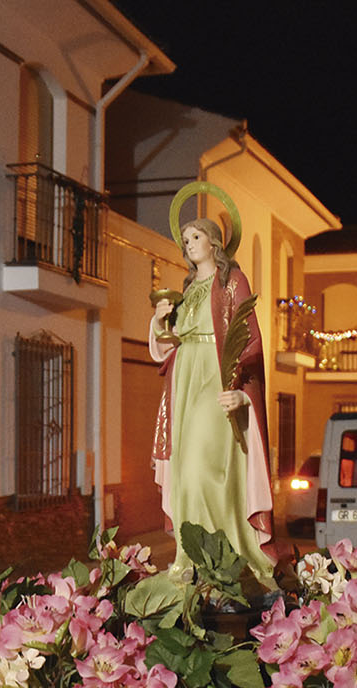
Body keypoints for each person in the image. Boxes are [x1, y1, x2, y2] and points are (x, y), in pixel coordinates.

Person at [149, 217, 276, 587]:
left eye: (196, 236)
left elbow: (249, 339)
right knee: (184, 471)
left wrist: (241, 391)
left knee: (204, 470)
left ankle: (224, 553)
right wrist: (159, 321)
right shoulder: (187, 289)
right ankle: (189, 556)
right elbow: (170, 344)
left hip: (215, 378)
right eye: (185, 238)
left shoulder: (232, 281)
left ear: (215, 243)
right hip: (184, 383)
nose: (188, 243)